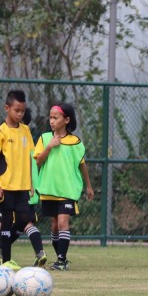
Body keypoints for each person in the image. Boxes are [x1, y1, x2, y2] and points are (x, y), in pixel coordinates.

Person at [0, 90, 47, 270]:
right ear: (7, 108)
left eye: (22, 111)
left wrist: (31, 183)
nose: (20, 114)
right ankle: (6, 260)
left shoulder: (26, 130)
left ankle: (2, 247)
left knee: (25, 218)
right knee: (5, 222)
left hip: (23, 187)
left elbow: (30, 157)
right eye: (17, 110)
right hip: (5, 186)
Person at [34, 103, 94, 271]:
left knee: (63, 223)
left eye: (55, 117)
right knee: (54, 226)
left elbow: (82, 165)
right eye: (50, 117)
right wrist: (50, 146)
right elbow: (38, 161)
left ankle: (61, 260)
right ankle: (62, 258)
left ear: (66, 120)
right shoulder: (45, 138)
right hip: (49, 190)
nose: (51, 121)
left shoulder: (76, 142)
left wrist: (88, 186)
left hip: (68, 191)